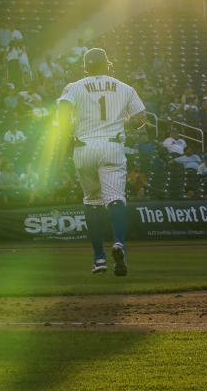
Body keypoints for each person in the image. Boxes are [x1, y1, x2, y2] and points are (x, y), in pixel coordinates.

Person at [56, 47, 146, 277]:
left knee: (92, 200)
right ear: (107, 64)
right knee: (115, 198)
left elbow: (63, 109)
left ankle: (99, 258)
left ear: (86, 66)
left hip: (83, 147)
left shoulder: (74, 86)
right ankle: (118, 244)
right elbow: (140, 119)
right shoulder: (125, 87)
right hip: (112, 146)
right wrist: (123, 123)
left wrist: (65, 127)